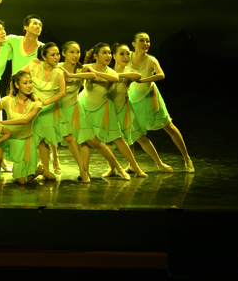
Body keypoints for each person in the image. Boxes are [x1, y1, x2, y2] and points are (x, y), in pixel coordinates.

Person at [69, 43, 146, 180]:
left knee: (117, 137)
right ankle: (85, 172)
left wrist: (93, 73)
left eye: (109, 53)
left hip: (102, 108)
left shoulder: (111, 72)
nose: (108, 55)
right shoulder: (87, 67)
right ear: (96, 56)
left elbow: (116, 78)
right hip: (84, 106)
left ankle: (136, 168)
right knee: (84, 140)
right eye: (104, 53)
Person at [128, 32, 194, 173]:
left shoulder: (151, 60)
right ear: (133, 44)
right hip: (131, 98)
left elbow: (161, 75)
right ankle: (131, 164)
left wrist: (142, 80)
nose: (145, 43)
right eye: (141, 40)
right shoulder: (127, 57)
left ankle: (187, 158)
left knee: (169, 126)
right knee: (131, 130)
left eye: (148, 41)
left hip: (149, 97)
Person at [103, 43, 173, 176]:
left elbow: (138, 76)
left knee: (140, 138)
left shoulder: (128, 73)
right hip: (110, 111)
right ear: (114, 56)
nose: (126, 57)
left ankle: (159, 163)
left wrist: (115, 75)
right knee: (109, 140)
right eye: (122, 54)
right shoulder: (107, 71)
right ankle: (111, 169)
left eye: (127, 54)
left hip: (125, 110)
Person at [20, 42, 66, 180]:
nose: (56, 57)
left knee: (44, 140)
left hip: (47, 109)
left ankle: (48, 167)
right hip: (32, 107)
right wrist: (29, 96)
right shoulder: (34, 66)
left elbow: (62, 92)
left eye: (57, 54)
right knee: (33, 140)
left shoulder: (58, 72)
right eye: (52, 55)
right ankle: (32, 168)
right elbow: (18, 76)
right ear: (44, 57)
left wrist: (46, 102)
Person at [0, 71, 44, 184]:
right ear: (17, 85)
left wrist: (1, 122)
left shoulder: (36, 103)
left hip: (24, 140)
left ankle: (40, 170)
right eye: (25, 83)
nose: (29, 85)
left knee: (22, 181)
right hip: (8, 138)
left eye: (30, 82)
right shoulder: (7, 100)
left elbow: (25, 120)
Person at [55, 41, 91, 181]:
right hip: (58, 107)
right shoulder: (57, 67)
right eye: (72, 52)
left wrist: (74, 75)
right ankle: (51, 165)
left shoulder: (82, 70)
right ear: (63, 53)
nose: (75, 55)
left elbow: (93, 76)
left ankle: (84, 171)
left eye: (78, 52)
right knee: (61, 138)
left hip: (74, 107)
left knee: (83, 139)